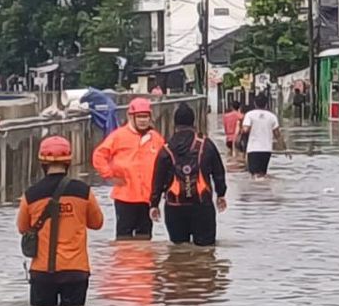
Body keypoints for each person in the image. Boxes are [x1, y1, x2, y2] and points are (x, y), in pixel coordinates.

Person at [17, 135, 104, 306]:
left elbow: (23, 228)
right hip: (75, 271)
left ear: (42, 162)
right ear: (68, 162)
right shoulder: (83, 192)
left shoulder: (31, 195)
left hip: (42, 273)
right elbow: (97, 223)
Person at [150, 103, 228, 246]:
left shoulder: (166, 149)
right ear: (194, 122)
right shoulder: (207, 145)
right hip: (202, 206)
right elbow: (218, 172)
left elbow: (157, 179)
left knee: (178, 252)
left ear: (175, 123)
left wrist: (154, 204)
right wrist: (221, 194)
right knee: (206, 252)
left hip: (174, 207)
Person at [93, 97, 166, 240]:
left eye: (145, 116)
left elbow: (166, 163)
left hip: (147, 198)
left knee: (145, 238)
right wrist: (109, 175)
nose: (143, 120)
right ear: (130, 116)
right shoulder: (118, 136)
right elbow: (99, 156)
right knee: (123, 239)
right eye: (139, 116)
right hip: (124, 197)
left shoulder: (156, 138)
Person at [241, 94, 286, 179]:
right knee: (262, 173)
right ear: (266, 104)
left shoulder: (249, 115)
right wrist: (285, 149)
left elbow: (245, 129)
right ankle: (264, 189)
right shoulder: (272, 116)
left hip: (253, 149)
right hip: (266, 150)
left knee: (254, 174)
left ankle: (257, 190)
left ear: (255, 103)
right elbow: (278, 135)